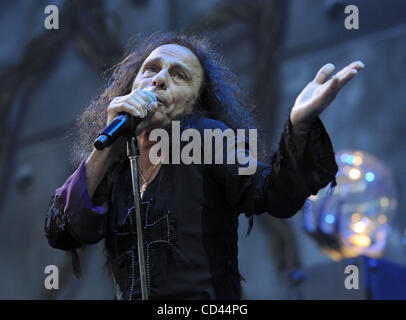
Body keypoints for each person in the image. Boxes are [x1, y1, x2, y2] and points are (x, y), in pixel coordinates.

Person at [44, 32, 364, 300]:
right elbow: (63, 231)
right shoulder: (113, 165)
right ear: (131, 85)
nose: (159, 79)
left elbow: (272, 192)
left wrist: (299, 125)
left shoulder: (205, 137)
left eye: (178, 75)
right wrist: (107, 147)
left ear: (194, 102)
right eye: (151, 68)